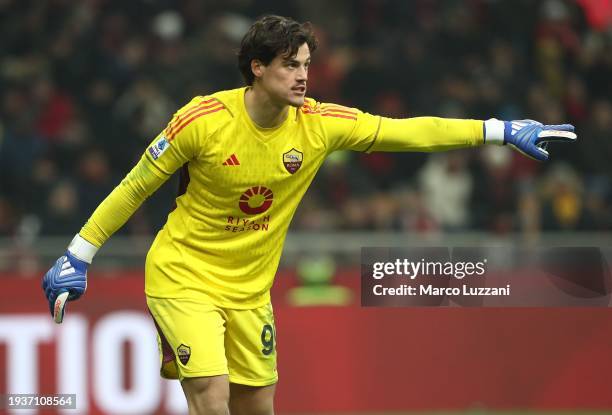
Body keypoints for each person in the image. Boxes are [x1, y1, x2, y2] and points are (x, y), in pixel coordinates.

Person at [42, 15, 577, 415]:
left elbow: (406, 131)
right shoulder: (202, 120)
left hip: (251, 289)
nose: (302, 77)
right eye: (289, 66)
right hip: (184, 275)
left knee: (258, 409)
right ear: (257, 68)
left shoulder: (319, 125)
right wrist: (78, 254)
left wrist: (499, 130)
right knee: (210, 393)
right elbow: (137, 185)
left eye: (305, 65)